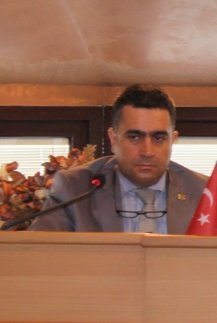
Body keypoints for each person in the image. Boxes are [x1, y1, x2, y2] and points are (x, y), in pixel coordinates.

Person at [29, 85, 207, 234]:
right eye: (134, 137)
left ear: (172, 140)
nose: (147, 151)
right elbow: (39, 253)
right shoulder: (74, 188)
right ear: (114, 140)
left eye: (158, 138)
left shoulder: (203, 192)